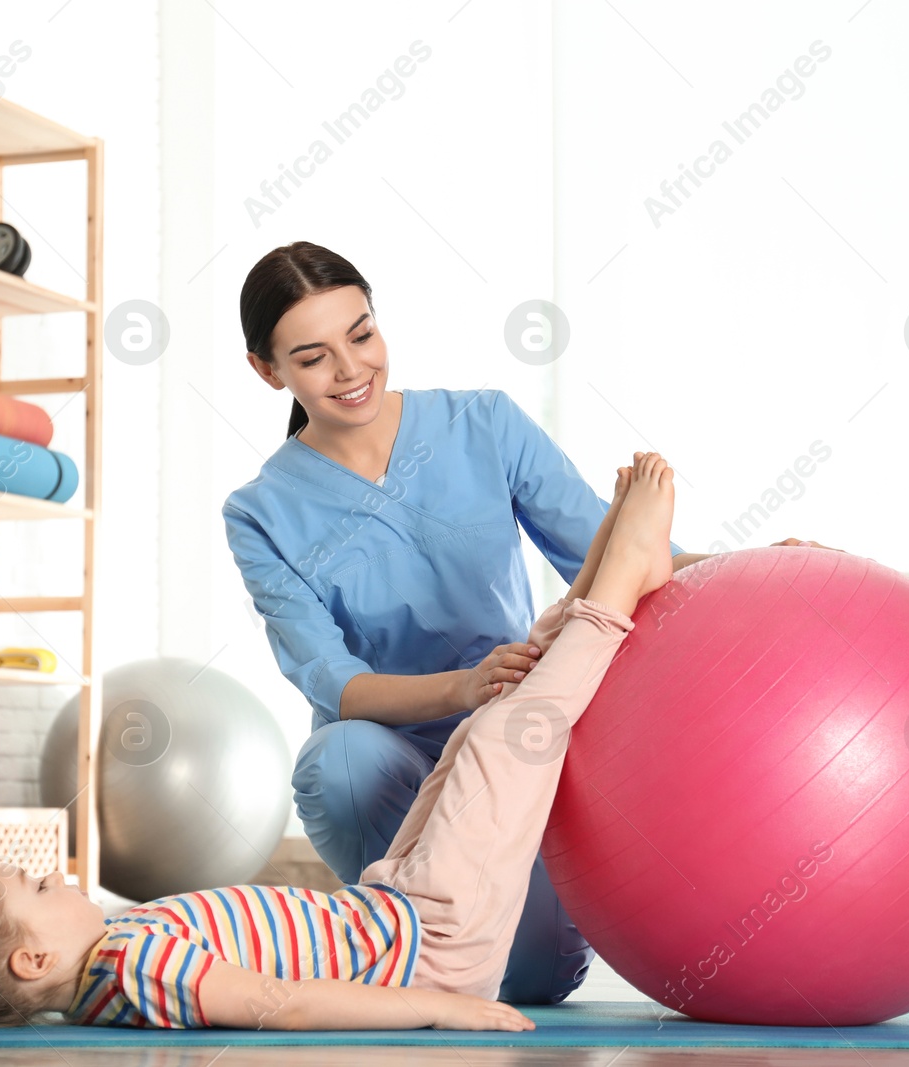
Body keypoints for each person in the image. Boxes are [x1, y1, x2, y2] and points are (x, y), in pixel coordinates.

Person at [0, 452, 679, 1032]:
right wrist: (440, 1007)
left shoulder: (108, 967)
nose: (65, 874)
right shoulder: (131, 965)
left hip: (395, 908)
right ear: (33, 955)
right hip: (434, 949)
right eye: (40, 883)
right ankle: (616, 588)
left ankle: (592, 582)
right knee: (505, 742)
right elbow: (281, 1003)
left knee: (467, 746)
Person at [222, 240, 691, 1003]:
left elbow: (622, 554)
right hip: (397, 762)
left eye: (362, 335)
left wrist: (757, 562)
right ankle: (406, 948)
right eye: (313, 357)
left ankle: (458, 951)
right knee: (337, 760)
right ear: (267, 370)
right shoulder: (260, 512)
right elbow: (338, 685)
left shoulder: (484, 423)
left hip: (519, 747)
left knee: (532, 974)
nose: (351, 370)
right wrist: (464, 687)